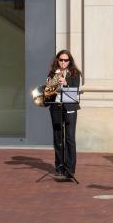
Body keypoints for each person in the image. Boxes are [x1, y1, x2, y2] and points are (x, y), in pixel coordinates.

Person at [46, 50, 81, 178]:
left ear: (69, 61)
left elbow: (76, 90)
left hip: (70, 107)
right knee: (58, 138)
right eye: (61, 60)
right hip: (56, 107)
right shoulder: (52, 72)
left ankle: (70, 169)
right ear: (57, 60)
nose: (63, 62)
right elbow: (48, 93)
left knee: (70, 138)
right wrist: (51, 84)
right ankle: (60, 166)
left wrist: (65, 84)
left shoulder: (74, 73)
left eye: (66, 60)